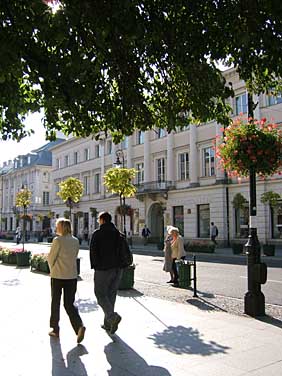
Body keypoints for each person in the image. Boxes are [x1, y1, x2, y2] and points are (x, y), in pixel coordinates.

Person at [47, 218, 85, 343]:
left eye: (57, 226)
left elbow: (51, 257)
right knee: (69, 304)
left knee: (55, 303)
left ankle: (55, 329)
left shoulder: (57, 240)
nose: (56, 228)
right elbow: (75, 256)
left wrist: (52, 269)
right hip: (71, 276)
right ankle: (79, 326)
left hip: (58, 275)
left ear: (62, 227)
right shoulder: (75, 241)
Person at [89, 211, 122, 335]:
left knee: (100, 294)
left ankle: (112, 317)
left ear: (102, 220)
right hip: (118, 268)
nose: (98, 221)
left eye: (99, 219)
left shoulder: (98, 233)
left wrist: (96, 266)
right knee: (111, 295)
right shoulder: (118, 233)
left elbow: (93, 251)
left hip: (103, 269)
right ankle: (108, 324)